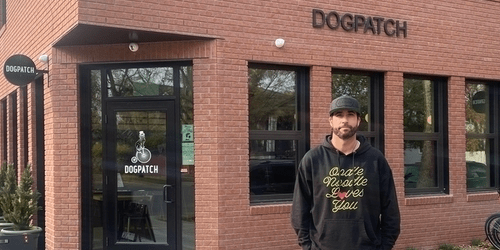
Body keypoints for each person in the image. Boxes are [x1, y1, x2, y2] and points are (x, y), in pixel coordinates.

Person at [291, 95, 400, 250]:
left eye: (350, 114)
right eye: (339, 115)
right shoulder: (313, 160)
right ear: (330, 121)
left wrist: (385, 246)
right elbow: (299, 209)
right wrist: (308, 246)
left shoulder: (375, 160)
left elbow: (391, 209)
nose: (344, 120)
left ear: (358, 120)